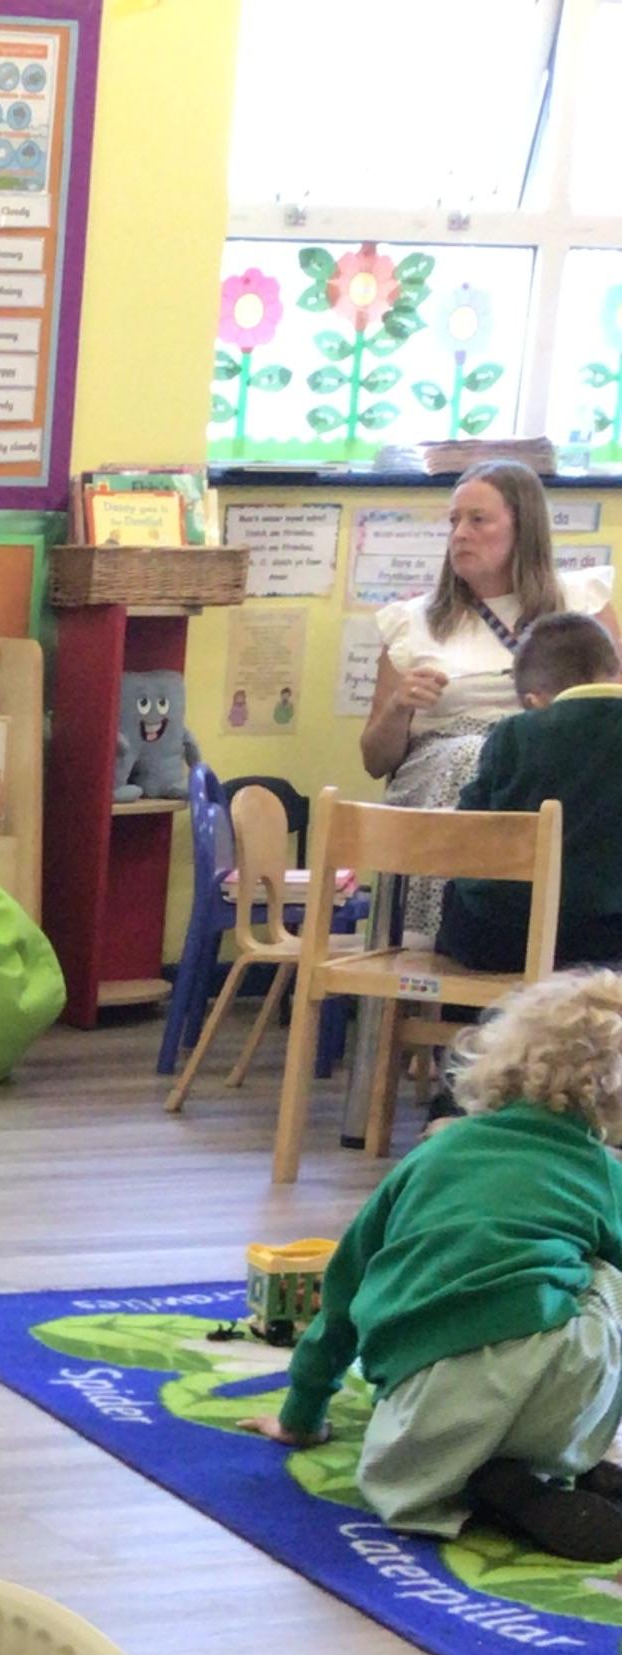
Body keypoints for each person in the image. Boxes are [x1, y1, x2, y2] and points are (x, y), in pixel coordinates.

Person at [248, 970, 622, 1562]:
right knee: (603, 1274)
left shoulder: (428, 1158)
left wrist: (302, 1414)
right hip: (559, 1387)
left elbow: (344, 1292)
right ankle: (559, 1461)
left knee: (406, 1453)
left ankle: (486, 1483)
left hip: (432, 1403)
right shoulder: (601, 1172)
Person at [359, 463, 618, 943]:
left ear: (524, 527)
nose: (460, 534)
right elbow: (375, 761)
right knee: (473, 758)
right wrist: (399, 707)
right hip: (446, 760)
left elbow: (611, 710)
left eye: (478, 520)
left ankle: (580, 932)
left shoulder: (580, 603)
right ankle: (448, 935)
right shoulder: (413, 621)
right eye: (454, 521)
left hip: (552, 763)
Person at [435, 610, 622, 977]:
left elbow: (465, 833)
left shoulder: (512, 735)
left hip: (503, 939)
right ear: (614, 669)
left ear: (533, 700)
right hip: (609, 942)